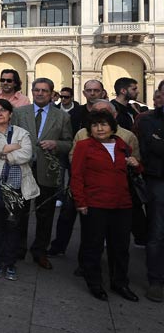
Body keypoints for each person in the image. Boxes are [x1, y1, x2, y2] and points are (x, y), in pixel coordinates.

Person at [72, 110, 142, 302]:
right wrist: (80, 202)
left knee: (120, 247)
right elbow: (76, 176)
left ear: (112, 127)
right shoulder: (84, 146)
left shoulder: (122, 145)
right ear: (90, 129)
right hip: (95, 204)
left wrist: (136, 164)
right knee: (93, 246)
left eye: (103, 124)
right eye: (95, 125)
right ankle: (95, 283)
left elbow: (137, 170)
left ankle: (120, 283)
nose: (99, 128)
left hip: (122, 204)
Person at [11, 77, 73, 269]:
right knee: (20, 213)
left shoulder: (62, 117)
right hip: (23, 169)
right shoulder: (20, 113)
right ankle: (18, 248)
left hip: (48, 171)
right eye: (36, 90)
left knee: (45, 215)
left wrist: (56, 144)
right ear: (32, 91)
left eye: (44, 91)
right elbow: (9, 135)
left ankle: (40, 251)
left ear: (51, 94)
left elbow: (69, 143)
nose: (39, 93)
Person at [0, 99, 39, 281]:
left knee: (14, 226)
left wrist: (4, 153)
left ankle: (10, 263)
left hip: (17, 186)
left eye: (3, 110)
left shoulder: (21, 132)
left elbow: (26, 154)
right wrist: (12, 148)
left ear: (10, 114)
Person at [135, 89, 164, 302]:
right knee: (157, 232)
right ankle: (156, 280)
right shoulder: (148, 120)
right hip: (158, 180)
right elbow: (150, 148)